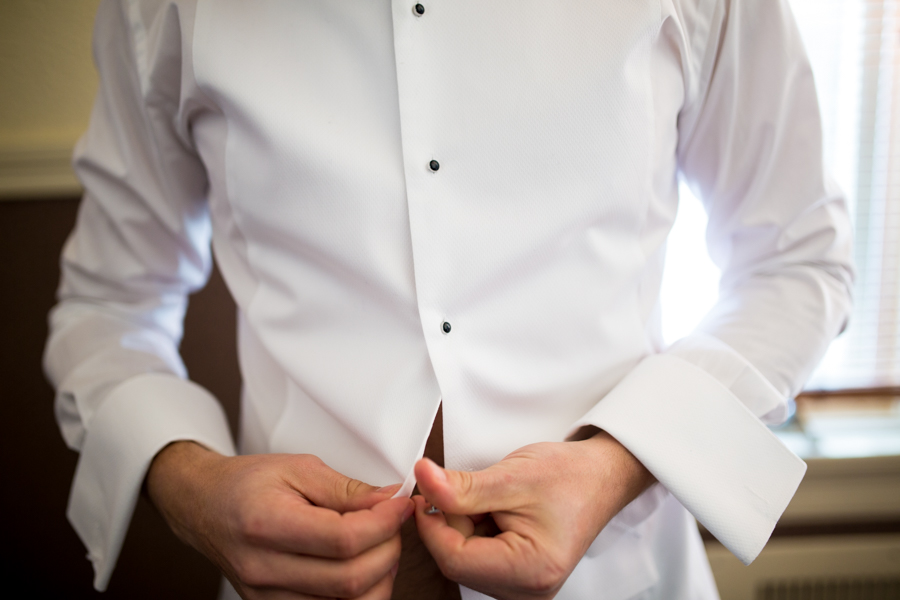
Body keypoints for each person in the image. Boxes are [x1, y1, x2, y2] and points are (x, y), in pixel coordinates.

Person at [44, 1, 853, 599]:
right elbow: (107, 307)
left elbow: (798, 261)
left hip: (626, 580)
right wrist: (188, 484)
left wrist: (616, 466)